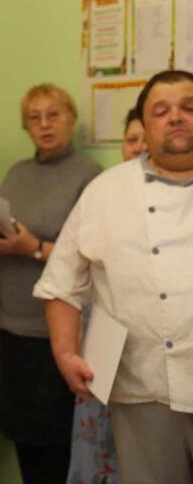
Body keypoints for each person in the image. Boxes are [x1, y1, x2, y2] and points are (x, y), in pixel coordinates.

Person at [36, 70, 193, 484]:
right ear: (144, 124)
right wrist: (65, 352)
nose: (176, 117)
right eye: (161, 110)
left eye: (189, 107)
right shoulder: (105, 191)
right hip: (144, 385)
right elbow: (61, 282)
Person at [0, 83, 102, 483]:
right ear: (26, 126)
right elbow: (2, 228)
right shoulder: (18, 172)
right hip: (11, 326)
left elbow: (90, 256)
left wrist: (32, 248)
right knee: (23, 439)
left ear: (71, 119)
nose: (45, 124)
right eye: (34, 117)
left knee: (58, 446)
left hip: (58, 333)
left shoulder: (90, 176)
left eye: (54, 115)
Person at [65, 110, 142, 484]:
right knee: (99, 453)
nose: (138, 149)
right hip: (103, 350)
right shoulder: (103, 196)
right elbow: (67, 275)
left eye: (146, 140)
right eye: (131, 140)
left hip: (156, 363)